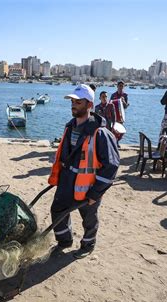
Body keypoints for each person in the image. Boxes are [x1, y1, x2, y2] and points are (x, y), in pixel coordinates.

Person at [48, 84, 119, 259]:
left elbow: (111, 166)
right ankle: (65, 241)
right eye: (72, 101)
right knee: (58, 210)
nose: (73, 105)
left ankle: (88, 244)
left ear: (89, 105)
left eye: (78, 102)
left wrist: (96, 193)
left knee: (89, 218)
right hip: (67, 180)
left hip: (88, 185)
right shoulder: (70, 126)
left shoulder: (101, 133)